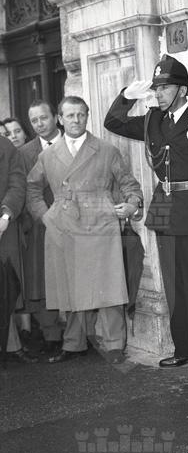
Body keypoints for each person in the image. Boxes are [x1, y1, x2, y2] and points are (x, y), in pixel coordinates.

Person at [104, 55, 188, 375]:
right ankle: (183, 348)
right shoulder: (153, 120)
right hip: (164, 209)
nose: (158, 93)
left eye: (164, 88)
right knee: (174, 286)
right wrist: (126, 96)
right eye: (156, 88)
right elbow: (113, 122)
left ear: (183, 90)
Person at [26, 96, 143, 364]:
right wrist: (46, 217)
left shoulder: (106, 150)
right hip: (63, 224)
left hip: (100, 221)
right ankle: (73, 343)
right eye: (70, 115)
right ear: (60, 119)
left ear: (87, 116)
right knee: (71, 285)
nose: (76, 120)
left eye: (81, 114)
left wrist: (131, 205)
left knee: (108, 284)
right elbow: (32, 188)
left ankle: (114, 345)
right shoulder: (47, 155)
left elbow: (130, 185)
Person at [18, 100, 63, 354]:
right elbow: (25, 190)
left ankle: (81, 335)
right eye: (34, 120)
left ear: (55, 118)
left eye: (43, 118)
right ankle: (51, 335)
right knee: (44, 281)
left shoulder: (73, 143)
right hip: (41, 224)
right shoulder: (25, 153)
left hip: (75, 223)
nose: (39, 124)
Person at [0, 134, 36, 363]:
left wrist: (5, 216)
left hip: (3, 226)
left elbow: (17, 183)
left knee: (5, 288)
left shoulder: (4, 146)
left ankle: (11, 346)